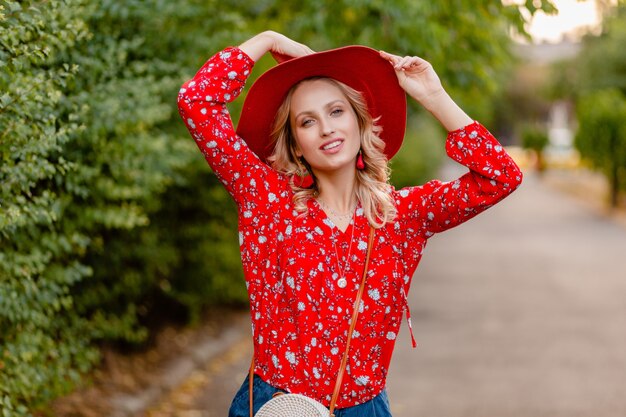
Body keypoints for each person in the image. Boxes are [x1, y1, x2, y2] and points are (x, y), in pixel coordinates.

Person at [177, 30, 522, 417]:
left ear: (361, 122)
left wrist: (433, 97)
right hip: (276, 407)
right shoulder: (268, 200)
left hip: (365, 408)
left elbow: (500, 176)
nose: (326, 128)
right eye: (307, 121)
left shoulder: (400, 216)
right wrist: (266, 40)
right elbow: (197, 102)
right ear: (294, 144)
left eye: (336, 111)